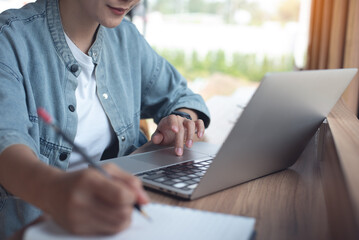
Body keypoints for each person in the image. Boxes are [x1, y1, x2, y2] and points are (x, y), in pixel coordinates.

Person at [0, 0, 210, 238]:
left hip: (123, 219)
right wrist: (53, 190)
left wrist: (181, 121)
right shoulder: (9, 39)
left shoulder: (126, 38)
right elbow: (6, 143)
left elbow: (182, 97)